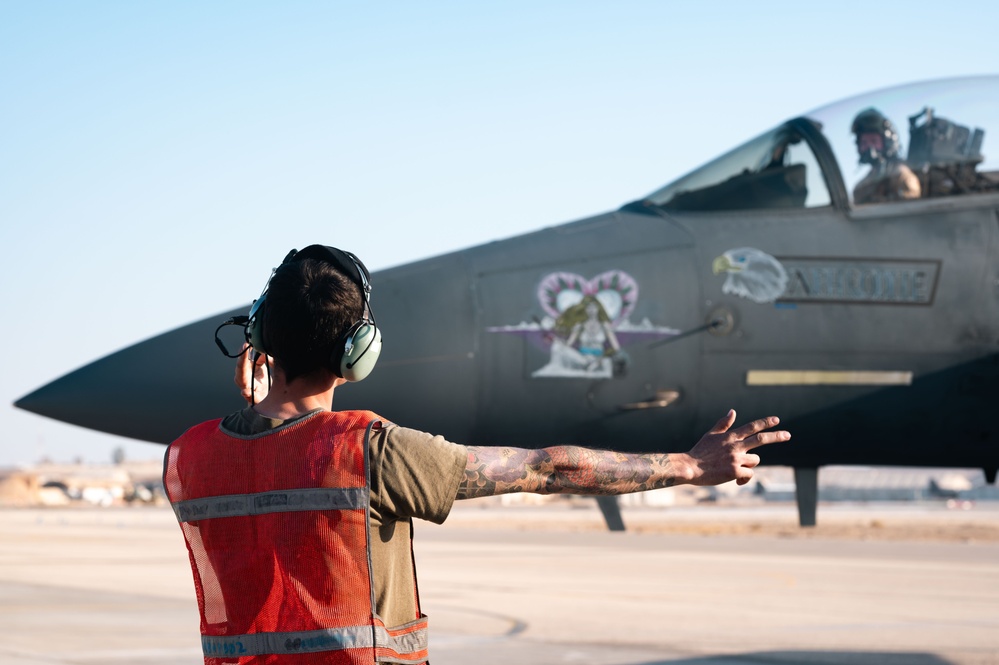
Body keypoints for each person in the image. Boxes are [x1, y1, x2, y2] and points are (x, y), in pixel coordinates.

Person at [164, 245, 790, 665]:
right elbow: (548, 467)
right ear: (358, 353)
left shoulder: (187, 460)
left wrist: (258, 403)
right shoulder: (368, 450)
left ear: (260, 337)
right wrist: (691, 465)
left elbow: (261, 468)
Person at [851, 107, 921, 204]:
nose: (868, 147)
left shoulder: (900, 174)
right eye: (864, 142)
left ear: (888, 142)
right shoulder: (861, 186)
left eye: (874, 141)